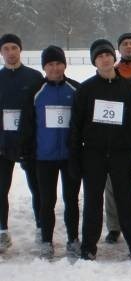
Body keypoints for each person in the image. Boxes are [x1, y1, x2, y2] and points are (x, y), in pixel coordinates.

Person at [69, 39, 131, 263]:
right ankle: (88, 247)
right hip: (93, 154)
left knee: (126, 202)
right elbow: (75, 126)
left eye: (107, 55)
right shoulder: (86, 89)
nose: (105, 59)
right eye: (99, 56)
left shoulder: (128, 87)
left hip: (122, 154)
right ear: (94, 61)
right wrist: (75, 158)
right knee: (93, 203)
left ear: (113, 57)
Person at [19, 45, 81, 259]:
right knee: (46, 201)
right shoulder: (35, 92)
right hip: (43, 158)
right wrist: (27, 154)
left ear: (65, 64)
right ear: (44, 67)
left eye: (58, 63)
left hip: (69, 157)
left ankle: (73, 240)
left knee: (71, 200)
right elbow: (26, 126)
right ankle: (46, 241)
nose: (55, 68)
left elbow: (82, 125)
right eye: (50, 64)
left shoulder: (76, 90)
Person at [0, 33, 44, 253]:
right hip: (3, 144)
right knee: (1, 190)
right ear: (1, 52)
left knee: (37, 189)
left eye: (14, 48)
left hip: (29, 144)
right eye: (6, 48)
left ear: (20, 50)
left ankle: (40, 227)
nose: (10, 52)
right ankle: (2, 232)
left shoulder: (35, 77)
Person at [104, 32, 131, 244]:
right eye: (125, 44)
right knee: (111, 186)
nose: (129, 46)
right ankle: (114, 226)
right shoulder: (113, 72)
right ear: (119, 49)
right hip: (115, 137)